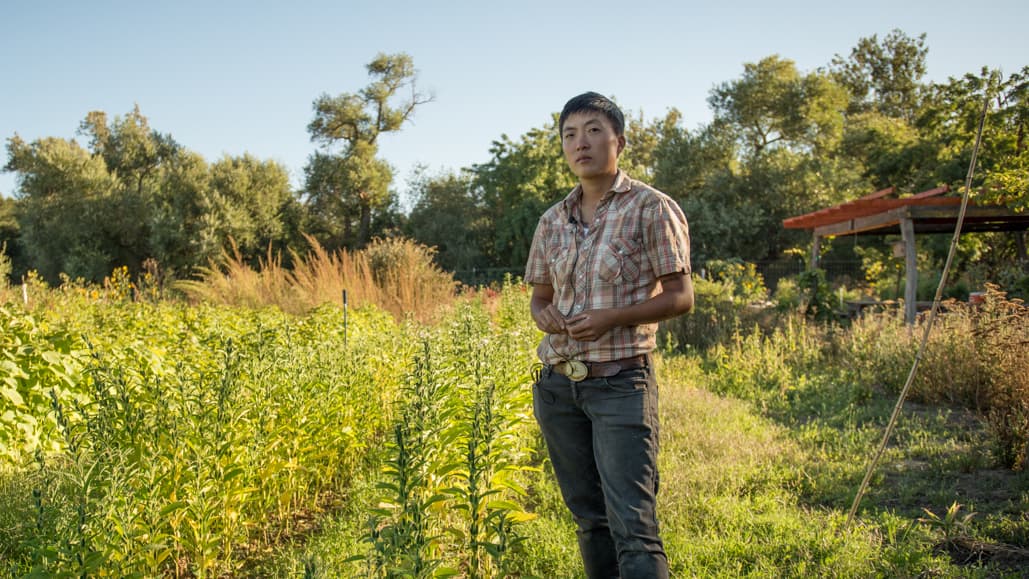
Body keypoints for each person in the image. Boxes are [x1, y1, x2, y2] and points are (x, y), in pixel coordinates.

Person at [525, 92, 694, 578]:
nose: (581, 143)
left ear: (618, 141)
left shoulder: (651, 208)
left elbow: (682, 296)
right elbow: (539, 299)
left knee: (633, 527)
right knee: (589, 521)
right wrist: (547, 316)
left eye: (594, 130)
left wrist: (612, 317)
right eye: (570, 135)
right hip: (559, 388)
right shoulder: (551, 221)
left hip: (620, 386)